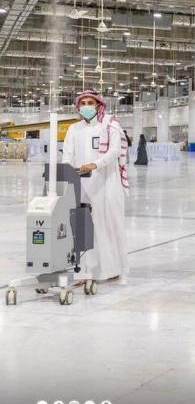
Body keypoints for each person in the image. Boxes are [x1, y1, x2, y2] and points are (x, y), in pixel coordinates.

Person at [61, 90, 129, 283]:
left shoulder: (110, 125)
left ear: (99, 105)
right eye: (82, 103)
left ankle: (111, 269)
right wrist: (67, 168)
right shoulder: (74, 128)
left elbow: (115, 150)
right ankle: (84, 271)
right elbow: (67, 152)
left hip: (105, 182)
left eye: (90, 102)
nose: (86, 106)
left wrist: (96, 164)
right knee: (81, 225)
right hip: (80, 182)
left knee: (105, 224)